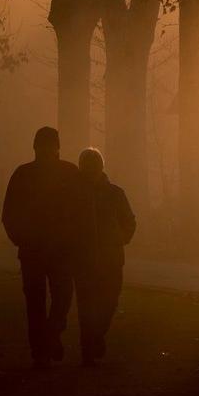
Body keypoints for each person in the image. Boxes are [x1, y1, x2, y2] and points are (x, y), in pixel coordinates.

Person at [1, 126, 89, 367]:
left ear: (35, 146)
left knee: (36, 302)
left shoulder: (23, 174)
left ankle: (41, 348)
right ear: (57, 147)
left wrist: (20, 239)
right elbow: (83, 211)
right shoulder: (70, 173)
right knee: (61, 297)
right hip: (60, 250)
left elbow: (8, 214)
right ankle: (50, 336)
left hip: (34, 250)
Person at [76, 147, 135, 366]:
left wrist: (120, 239)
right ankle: (89, 347)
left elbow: (129, 222)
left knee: (106, 302)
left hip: (107, 258)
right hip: (89, 259)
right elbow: (130, 222)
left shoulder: (114, 194)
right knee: (91, 304)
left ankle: (94, 339)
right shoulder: (79, 195)